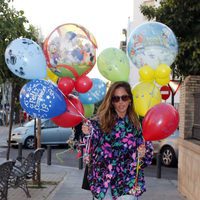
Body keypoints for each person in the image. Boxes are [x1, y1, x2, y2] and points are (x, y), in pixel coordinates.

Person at [82, 81, 153, 200]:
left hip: (128, 183)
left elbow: (147, 158)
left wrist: (143, 153)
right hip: (103, 183)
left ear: (130, 100)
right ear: (111, 101)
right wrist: (87, 133)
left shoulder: (139, 125)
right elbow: (88, 145)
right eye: (116, 99)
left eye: (124, 98)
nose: (121, 102)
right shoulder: (99, 122)